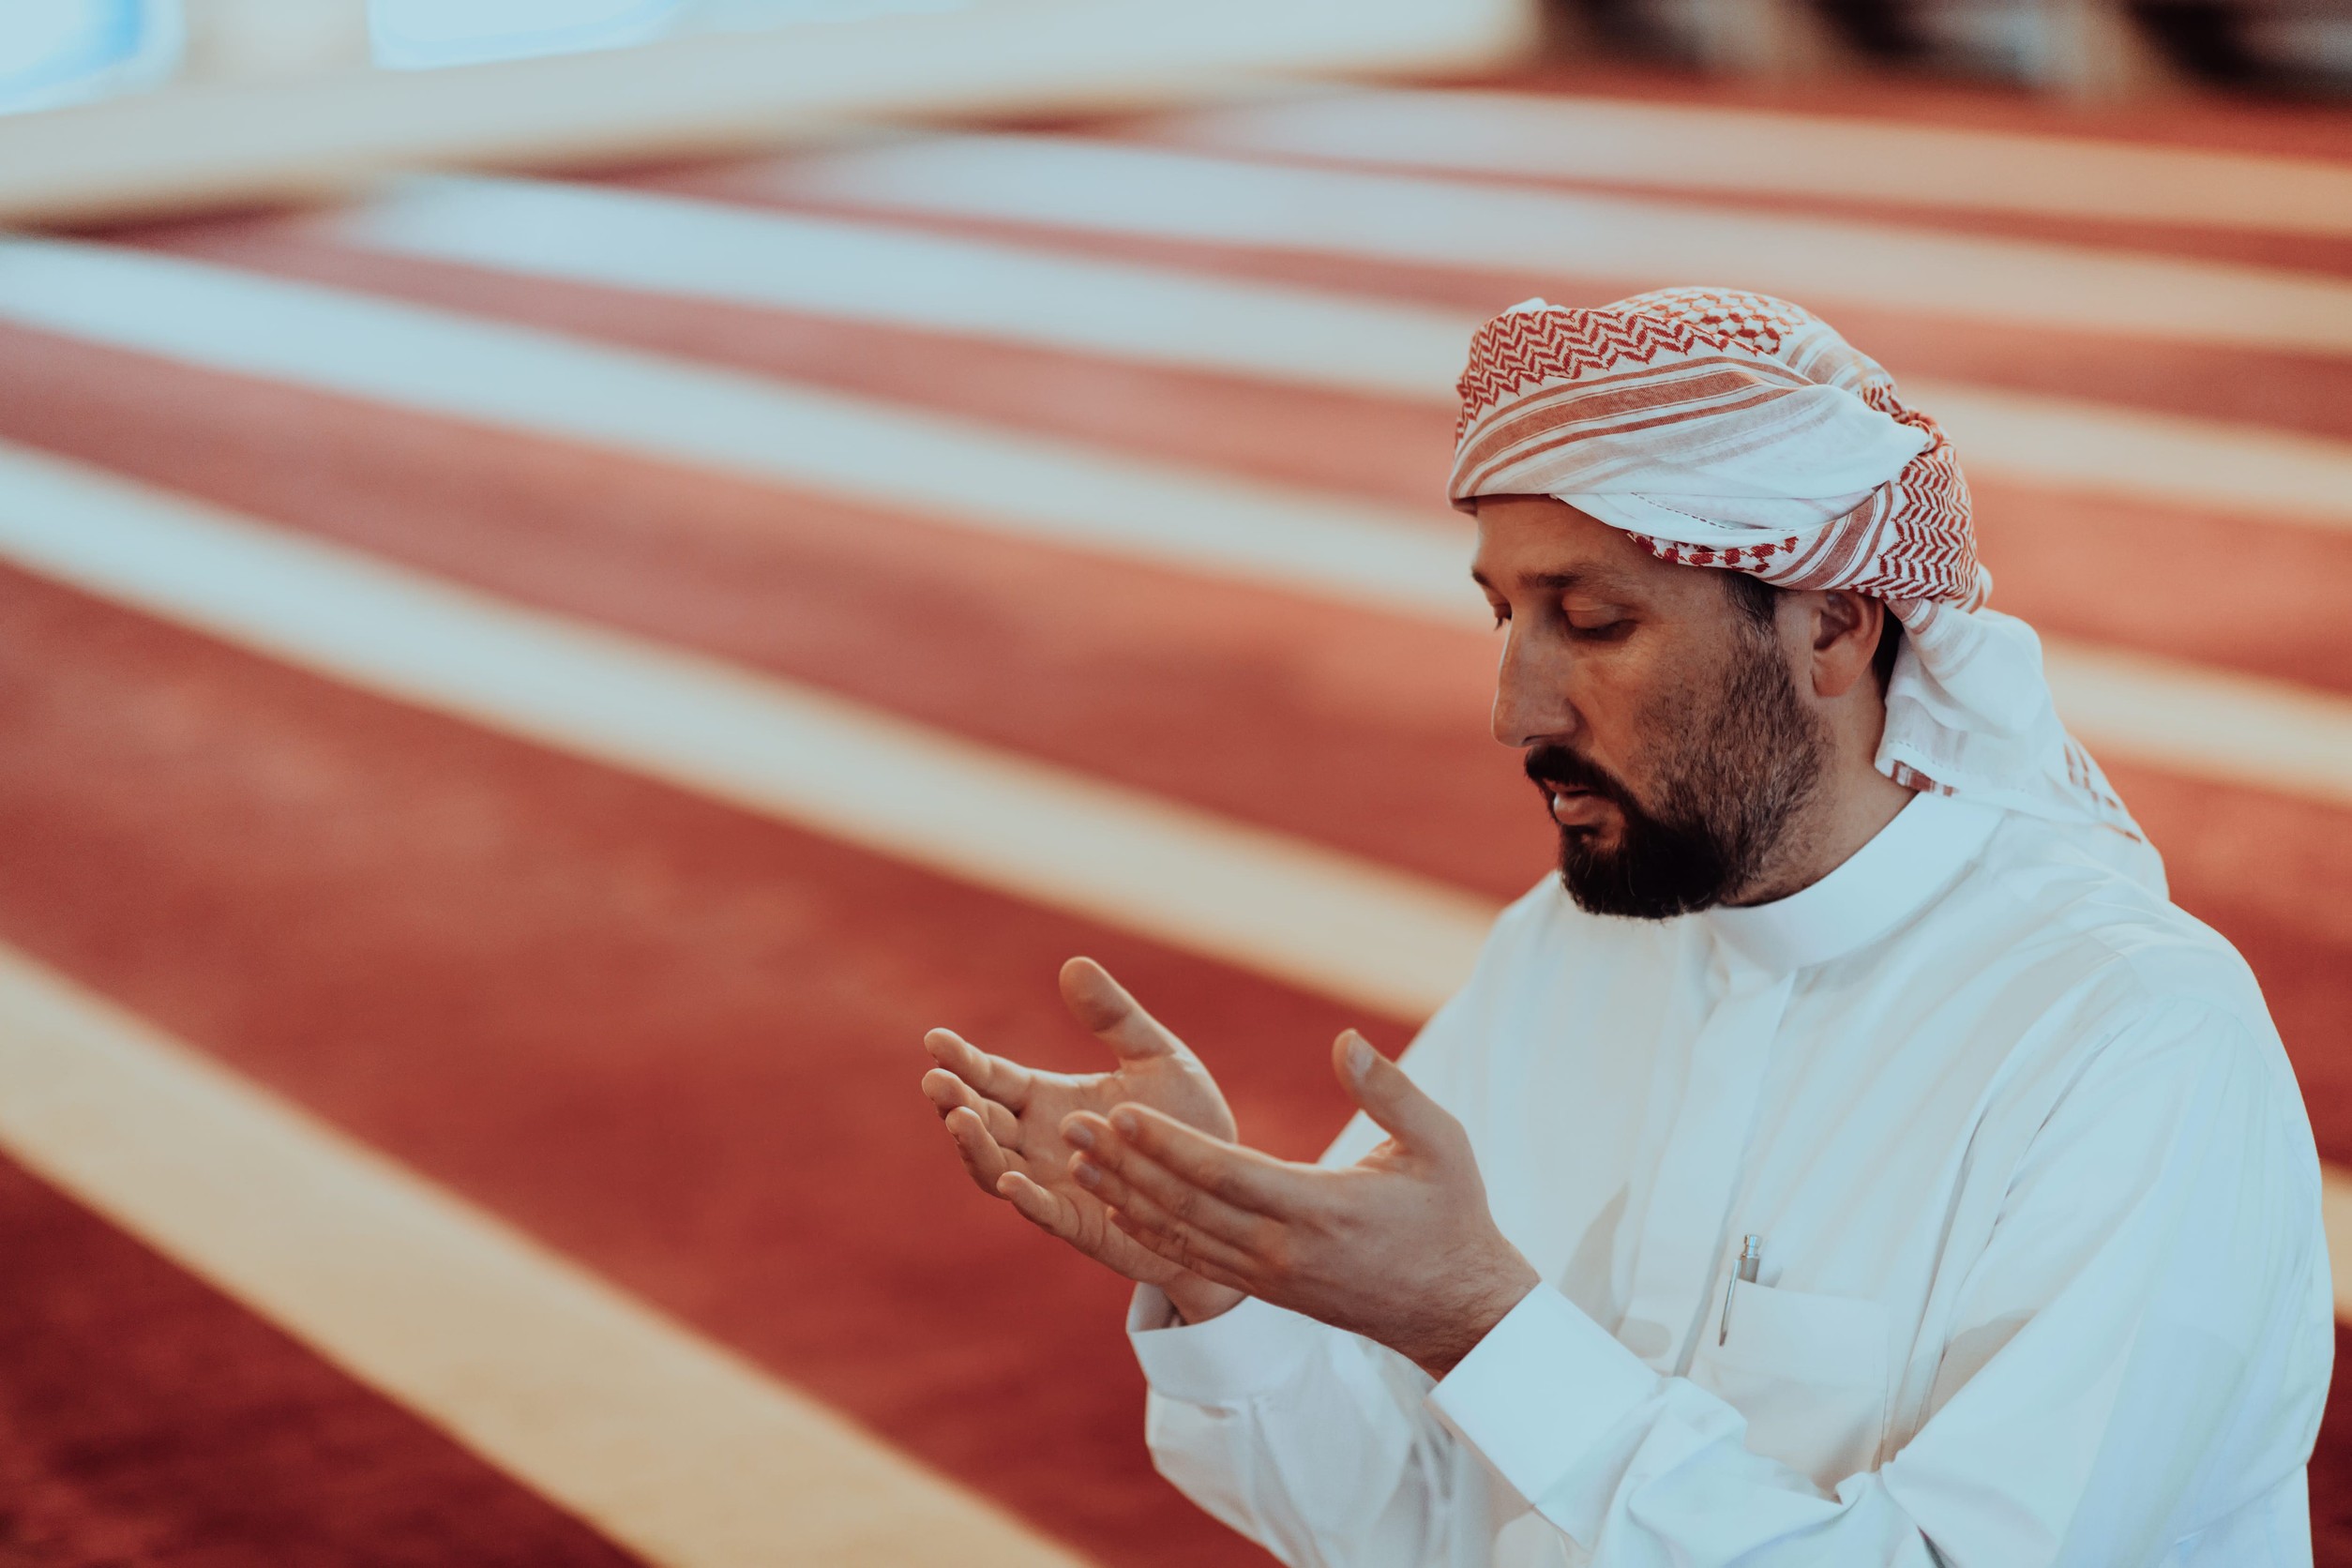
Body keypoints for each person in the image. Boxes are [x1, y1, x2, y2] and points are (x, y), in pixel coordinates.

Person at [916, 288, 2332, 1565]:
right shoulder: (1569, 947)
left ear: (1833, 628)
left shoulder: (2131, 1041)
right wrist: (1215, 1269)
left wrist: (1484, 1328)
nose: (1515, 711)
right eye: (1503, 618)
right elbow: (1414, 1524)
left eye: (1592, 622)